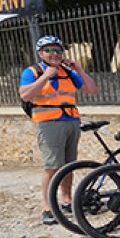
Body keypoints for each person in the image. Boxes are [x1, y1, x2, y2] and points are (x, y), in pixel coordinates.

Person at [19, 35, 98, 225]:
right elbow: (25, 95)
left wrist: (79, 69)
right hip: (48, 123)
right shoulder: (32, 72)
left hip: (71, 120)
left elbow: (92, 90)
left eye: (58, 50)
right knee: (52, 166)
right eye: (49, 50)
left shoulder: (68, 72)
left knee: (69, 165)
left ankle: (66, 200)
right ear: (40, 53)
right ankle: (47, 207)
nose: (54, 54)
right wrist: (46, 76)